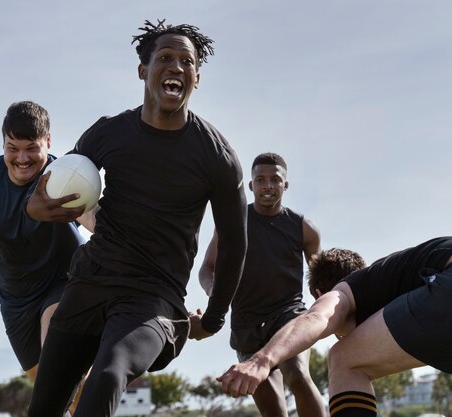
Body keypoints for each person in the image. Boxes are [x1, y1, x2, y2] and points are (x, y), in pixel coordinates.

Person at [25, 19, 248, 417]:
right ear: (143, 70)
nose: (176, 66)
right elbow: (54, 188)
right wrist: (36, 207)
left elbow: (234, 242)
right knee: (43, 407)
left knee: (108, 375)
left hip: (153, 301)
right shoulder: (108, 134)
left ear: (196, 78)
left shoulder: (218, 157)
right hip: (90, 284)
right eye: (165, 57)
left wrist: (213, 320)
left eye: (187, 61)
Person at [0, 101, 92, 414]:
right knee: (53, 391)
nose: (22, 159)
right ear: (3, 144)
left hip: (64, 281)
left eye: (32, 148)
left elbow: (95, 218)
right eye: (13, 148)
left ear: (48, 142)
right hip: (15, 299)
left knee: (62, 367)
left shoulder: (62, 176)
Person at [217, 237, 452, 417]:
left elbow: (316, 318)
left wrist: (261, 361)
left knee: (343, 358)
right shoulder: (388, 283)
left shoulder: (345, 290)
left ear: (320, 294)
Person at [199, 152, 325, 417]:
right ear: (251, 185)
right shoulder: (232, 223)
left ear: (285, 185)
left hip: (289, 315)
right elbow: (207, 269)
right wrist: (216, 295)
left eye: (275, 180)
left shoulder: (305, 229)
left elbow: (320, 281)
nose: (268, 186)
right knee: (274, 412)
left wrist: (328, 316)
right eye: (261, 180)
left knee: (299, 375)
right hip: (247, 324)